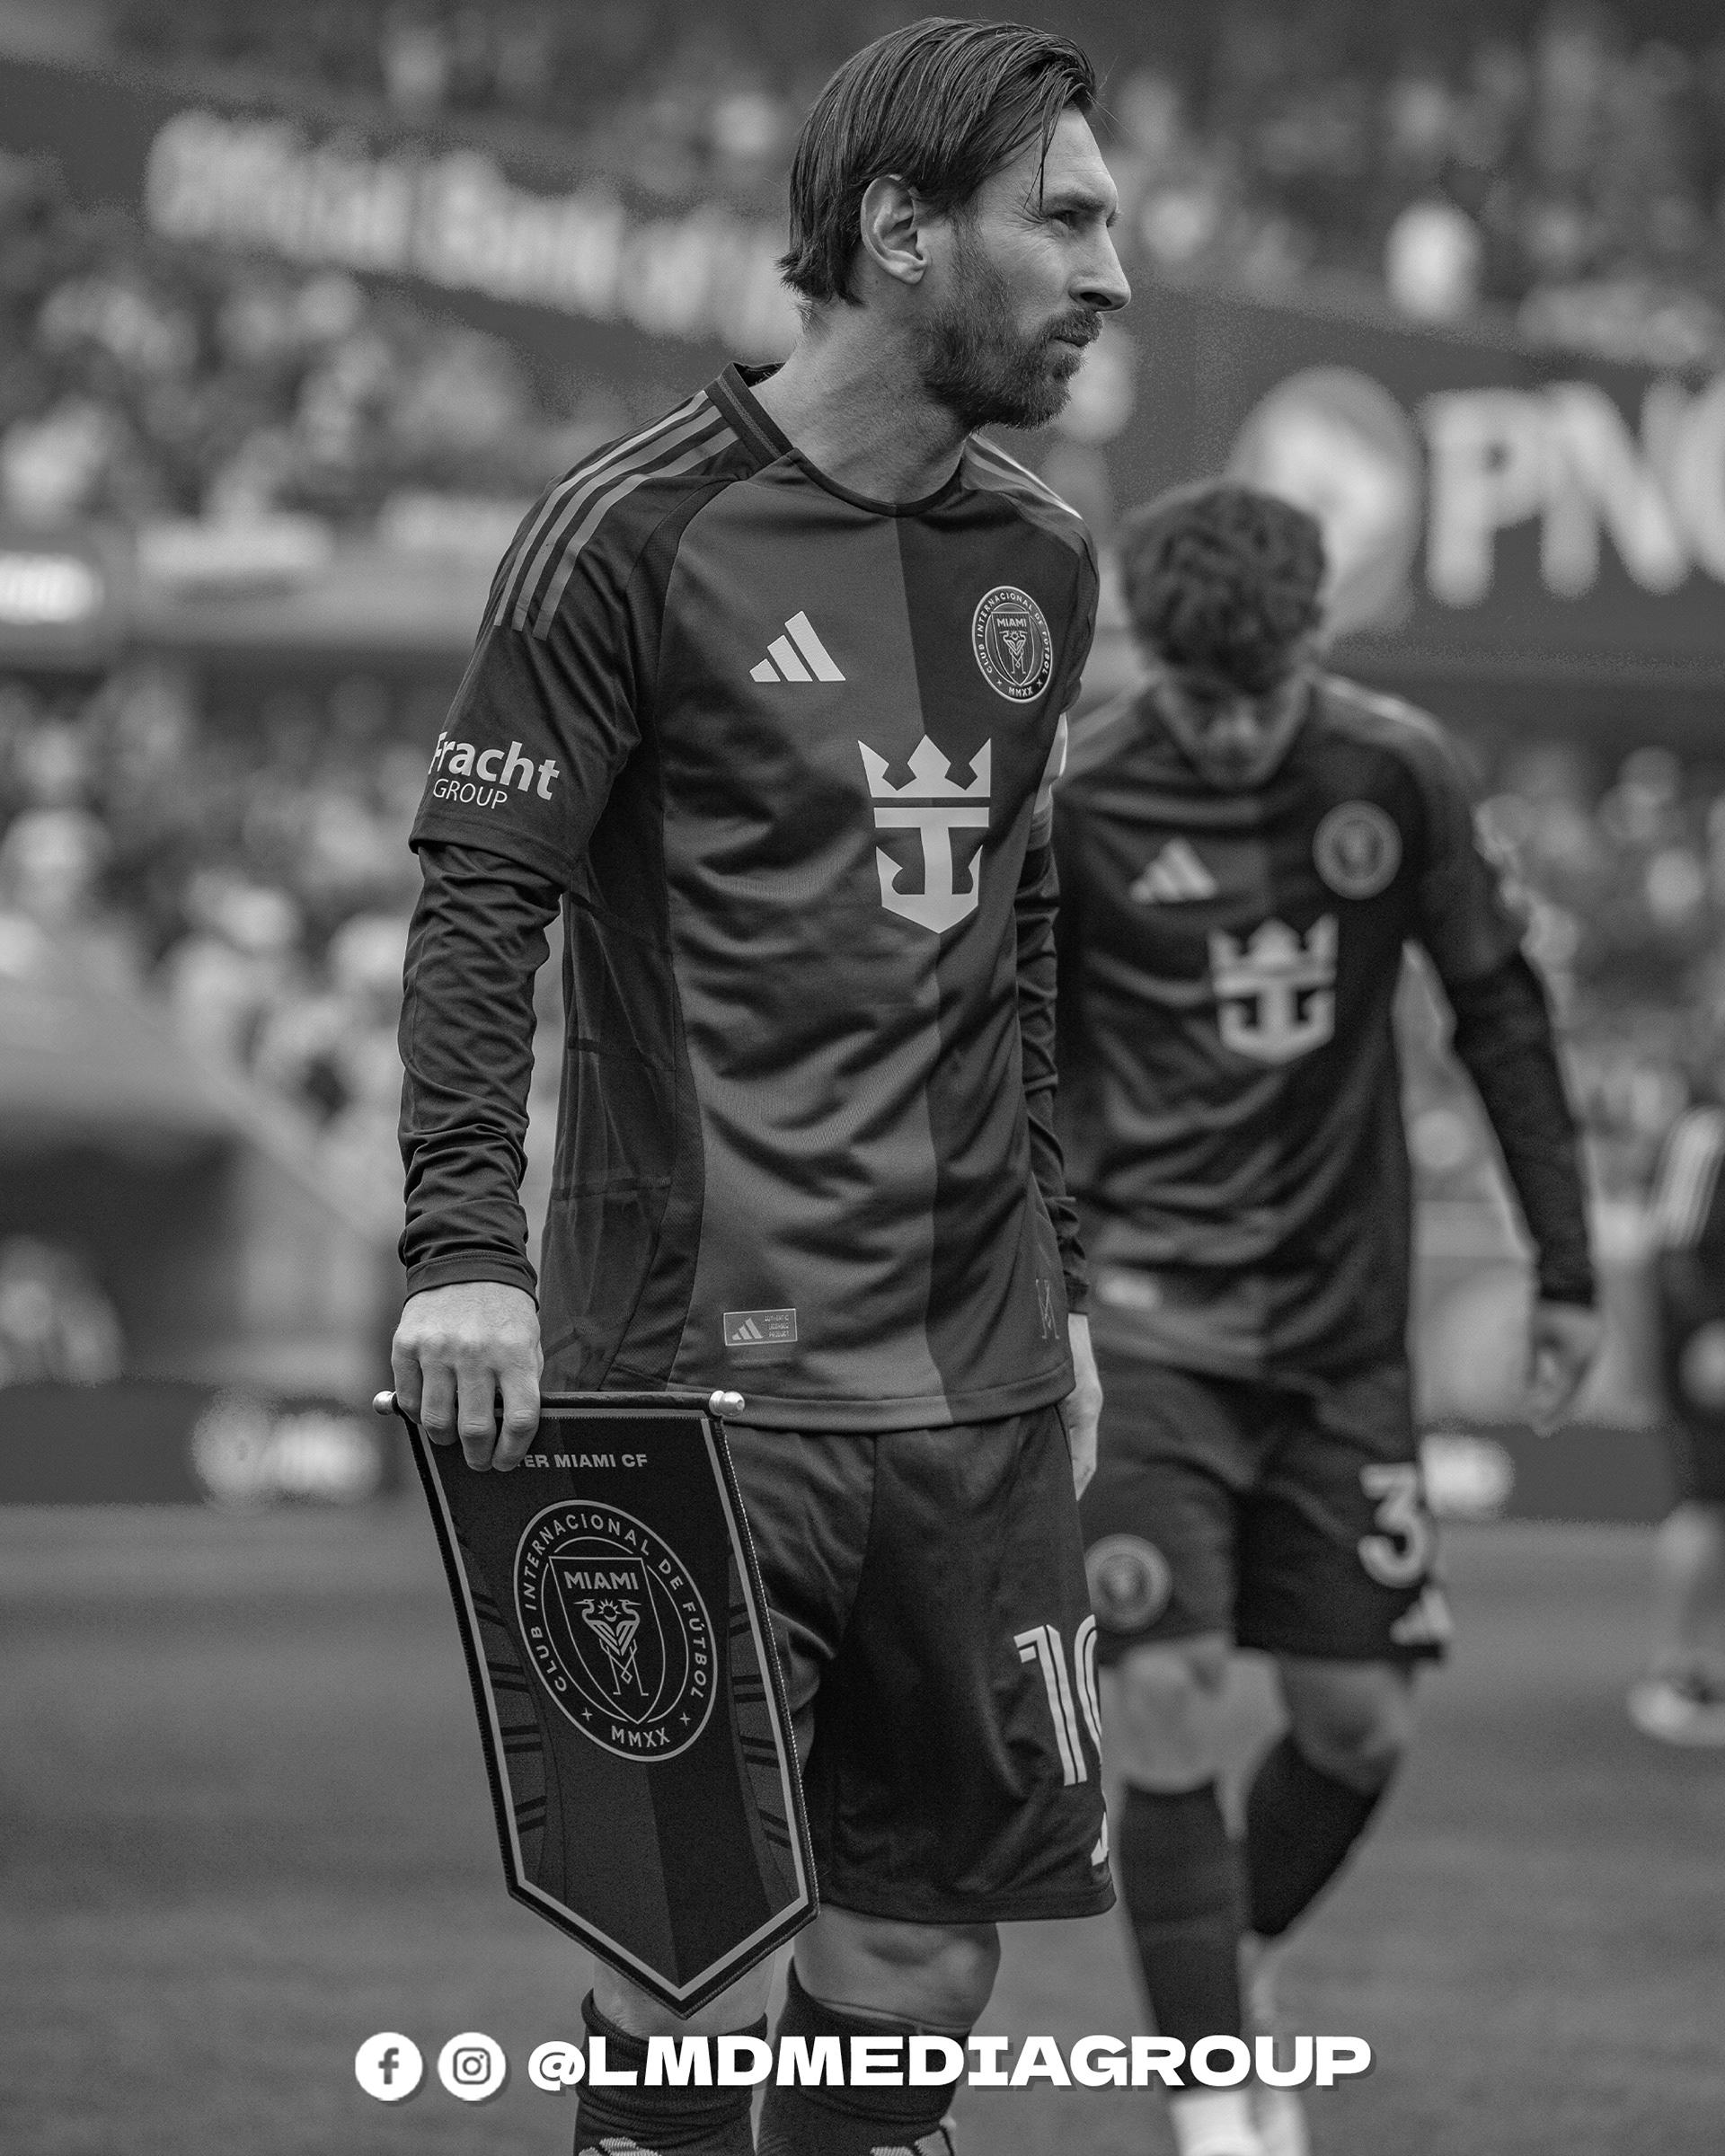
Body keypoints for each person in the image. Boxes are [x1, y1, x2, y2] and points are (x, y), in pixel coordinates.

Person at [391, 21, 1130, 2156]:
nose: (1112, 276)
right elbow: (481, 900)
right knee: (676, 1964)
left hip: (970, 1391)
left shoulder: (1041, 562)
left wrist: (1059, 1275)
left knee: (920, 1973)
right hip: (679, 1375)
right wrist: (462, 1247)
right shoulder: (622, 533)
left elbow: (1023, 937)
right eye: (1067, 220)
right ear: (901, 232)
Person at [1053, 482, 1603, 2156]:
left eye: (1263, 694)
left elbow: (1499, 1009)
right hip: (1144, 1328)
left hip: (1343, 1332)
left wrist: (1568, 1263)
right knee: (1164, 1691)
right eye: (1198, 698)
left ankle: (1225, 1958)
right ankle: (1215, 2087)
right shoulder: (1074, 792)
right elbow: (1009, 1060)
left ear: (1318, 642)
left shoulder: (1397, 772)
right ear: (1150, 658)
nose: (1230, 732)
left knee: (1357, 1726)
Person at [1628, 1089, 1725, 1744]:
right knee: (1709, 1501)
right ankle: (1673, 1672)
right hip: (1710, 1352)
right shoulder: (1707, 1136)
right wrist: (1706, 1332)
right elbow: (1673, 1250)